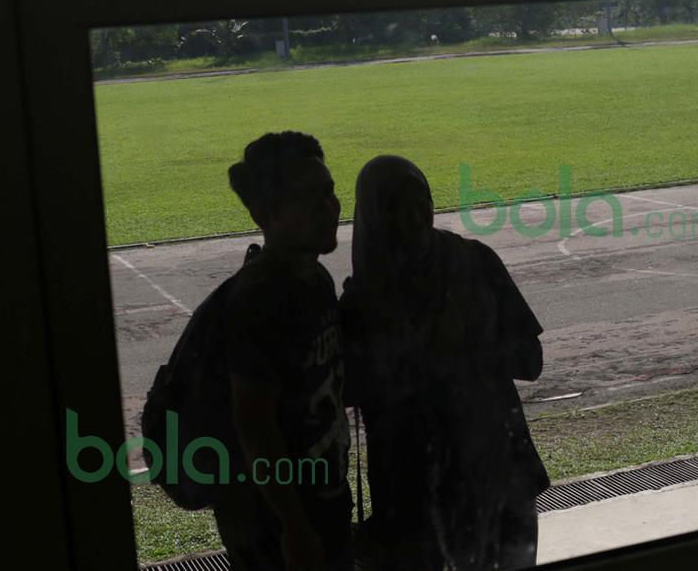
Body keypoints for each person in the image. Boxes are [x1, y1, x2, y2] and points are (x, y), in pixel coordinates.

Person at [341, 155, 549, 570]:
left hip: (429, 489)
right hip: (479, 475)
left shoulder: (361, 301)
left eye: (421, 199)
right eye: (398, 204)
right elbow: (529, 359)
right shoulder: (473, 263)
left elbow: (530, 360)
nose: (416, 214)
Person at [213, 131, 353, 571]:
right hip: (274, 522)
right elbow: (253, 423)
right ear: (264, 214)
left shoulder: (316, 279)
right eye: (308, 197)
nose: (329, 206)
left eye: (329, 191)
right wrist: (293, 526)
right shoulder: (259, 299)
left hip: (321, 498)